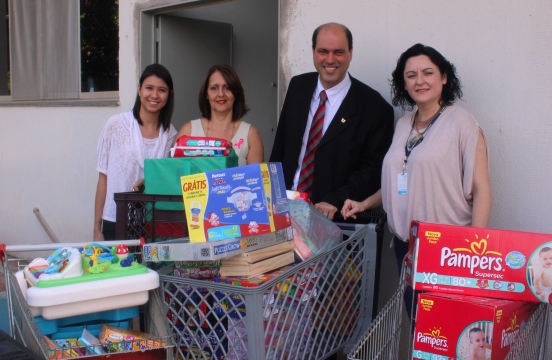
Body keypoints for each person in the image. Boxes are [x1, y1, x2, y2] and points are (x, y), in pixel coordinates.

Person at [342, 43, 492, 318]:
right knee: (420, 326)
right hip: (406, 245)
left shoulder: (462, 123)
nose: (419, 81)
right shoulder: (404, 124)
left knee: (445, 328)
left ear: (444, 77)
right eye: (411, 75)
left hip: (449, 249)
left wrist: (474, 250)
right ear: (404, 83)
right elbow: (401, 178)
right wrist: (364, 203)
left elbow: (482, 189)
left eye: (427, 72)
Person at [270, 23, 394, 220]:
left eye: (339, 52)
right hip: (284, 211)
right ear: (313, 52)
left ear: (351, 53)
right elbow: (280, 146)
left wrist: (336, 199)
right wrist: (272, 194)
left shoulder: (374, 108)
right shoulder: (298, 86)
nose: (330, 59)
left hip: (333, 220)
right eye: (322, 51)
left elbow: (372, 170)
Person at [94, 63, 178, 240]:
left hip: (154, 224)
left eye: (161, 90)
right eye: (149, 88)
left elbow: (168, 181)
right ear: (139, 90)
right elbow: (103, 178)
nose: (154, 95)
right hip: (115, 220)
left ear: (169, 94)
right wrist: (96, 228)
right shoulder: (116, 125)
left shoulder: (171, 135)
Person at [175, 64, 264, 166]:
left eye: (227, 88)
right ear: (206, 94)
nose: (221, 94)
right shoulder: (188, 131)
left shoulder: (250, 134)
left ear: (235, 93)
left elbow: (255, 180)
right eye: (214, 88)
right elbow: (176, 175)